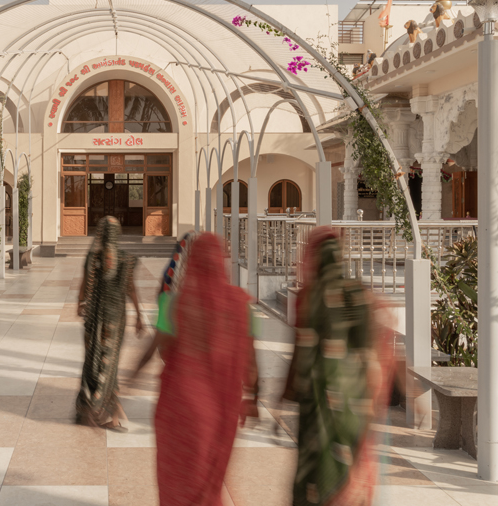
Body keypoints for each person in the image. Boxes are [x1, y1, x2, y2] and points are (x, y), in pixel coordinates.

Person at [133, 232, 258, 506]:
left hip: (180, 404)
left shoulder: (176, 304)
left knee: (178, 472)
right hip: (220, 406)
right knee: (209, 472)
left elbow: (157, 346)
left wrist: (133, 372)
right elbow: (250, 361)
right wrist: (254, 398)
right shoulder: (241, 305)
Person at [283, 227, 395, 506]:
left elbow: (301, 351)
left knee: (315, 465)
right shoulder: (361, 293)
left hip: (318, 401)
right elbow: (373, 348)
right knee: (350, 461)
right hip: (354, 401)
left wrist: (286, 393)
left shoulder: (308, 296)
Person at [76, 216, 144, 431]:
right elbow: (130, 289)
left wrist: (80, 303)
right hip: (115, 320)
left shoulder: (92, 258)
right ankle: (102, 410)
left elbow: (83, 285)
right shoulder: (126, 260)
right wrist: (139, 315)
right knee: (109, 362)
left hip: (94, 319)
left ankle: (92, 407)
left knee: (93, 360)